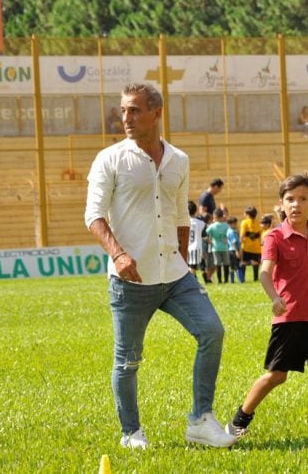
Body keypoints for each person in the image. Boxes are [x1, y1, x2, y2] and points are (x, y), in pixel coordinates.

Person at [84, 82, 235, 449]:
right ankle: (131, 433)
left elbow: (180, 214)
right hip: (130, 281)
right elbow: (93, 215)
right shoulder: (109, 158)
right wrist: (118, 255)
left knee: (212, 332)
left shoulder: (178, 160)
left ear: (156, 112)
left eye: (134, 110)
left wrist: (182, 256)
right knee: (127, 361)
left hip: (176, 275)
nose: (126, 117)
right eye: (123, 110)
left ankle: (200, 420)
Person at [225, 174, 308, 439]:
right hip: (290, 319)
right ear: (282, 204)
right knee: (277, 376)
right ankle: (239, 420)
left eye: (303, 199)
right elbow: (264, 272)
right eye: (290, 199)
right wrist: (274, 297)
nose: (296, 204)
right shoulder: (275, 237)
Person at [206, 208, 231, 284]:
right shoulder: (226, 225)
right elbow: (230, 235)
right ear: (222, 216)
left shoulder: (212, 226)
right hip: (225, 247)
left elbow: (206, 234)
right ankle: (226, 280)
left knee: (218, 264)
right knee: (226, 264)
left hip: (215, 248)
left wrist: (210, 241)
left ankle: (220, 281)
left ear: (215, 216)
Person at [240, 205, 263, 282]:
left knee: (244, 262)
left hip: (246, 247)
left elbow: (242, 235)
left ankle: (242, 279)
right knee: (255, 262)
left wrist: (241, 243)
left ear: (247, 214)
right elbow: (260, 234)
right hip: (256, 247)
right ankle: (255, 278)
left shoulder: (244, 222)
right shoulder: (258, 223)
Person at [187, 201, 206, 282]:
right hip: (196, 247)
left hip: (186, 247)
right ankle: (194, 282)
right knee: (193, 267)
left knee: (190, 267)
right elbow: (204, 236)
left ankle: (193, 282)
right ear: (195, 210)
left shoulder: (183, 222)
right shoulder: (201, 223)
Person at [226, 216, 243, 283]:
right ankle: (241, 280)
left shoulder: (229, 231)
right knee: (237, 266)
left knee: (232, 266)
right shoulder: (232, 232)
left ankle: (232, 281)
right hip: (234, 250)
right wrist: (237, 251)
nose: (236, 225)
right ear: (230, 224)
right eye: (235, 223)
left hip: (231, 250)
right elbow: (234, 242)